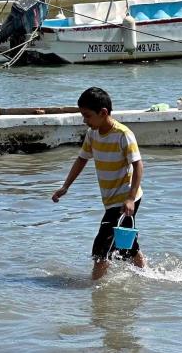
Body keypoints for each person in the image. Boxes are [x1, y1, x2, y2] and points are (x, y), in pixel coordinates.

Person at [52, 87, 147, 280]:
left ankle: (94, 291)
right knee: (125, 246)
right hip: (110, 199)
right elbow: (81, 159)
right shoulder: (92, 134)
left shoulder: (123, 134)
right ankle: (147, 276)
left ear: (103, 113)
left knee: (101, 248)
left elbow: (138, 166)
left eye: (87, 116)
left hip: (125, 200)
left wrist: (129, 198)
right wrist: (65, 186)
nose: (84, 120)